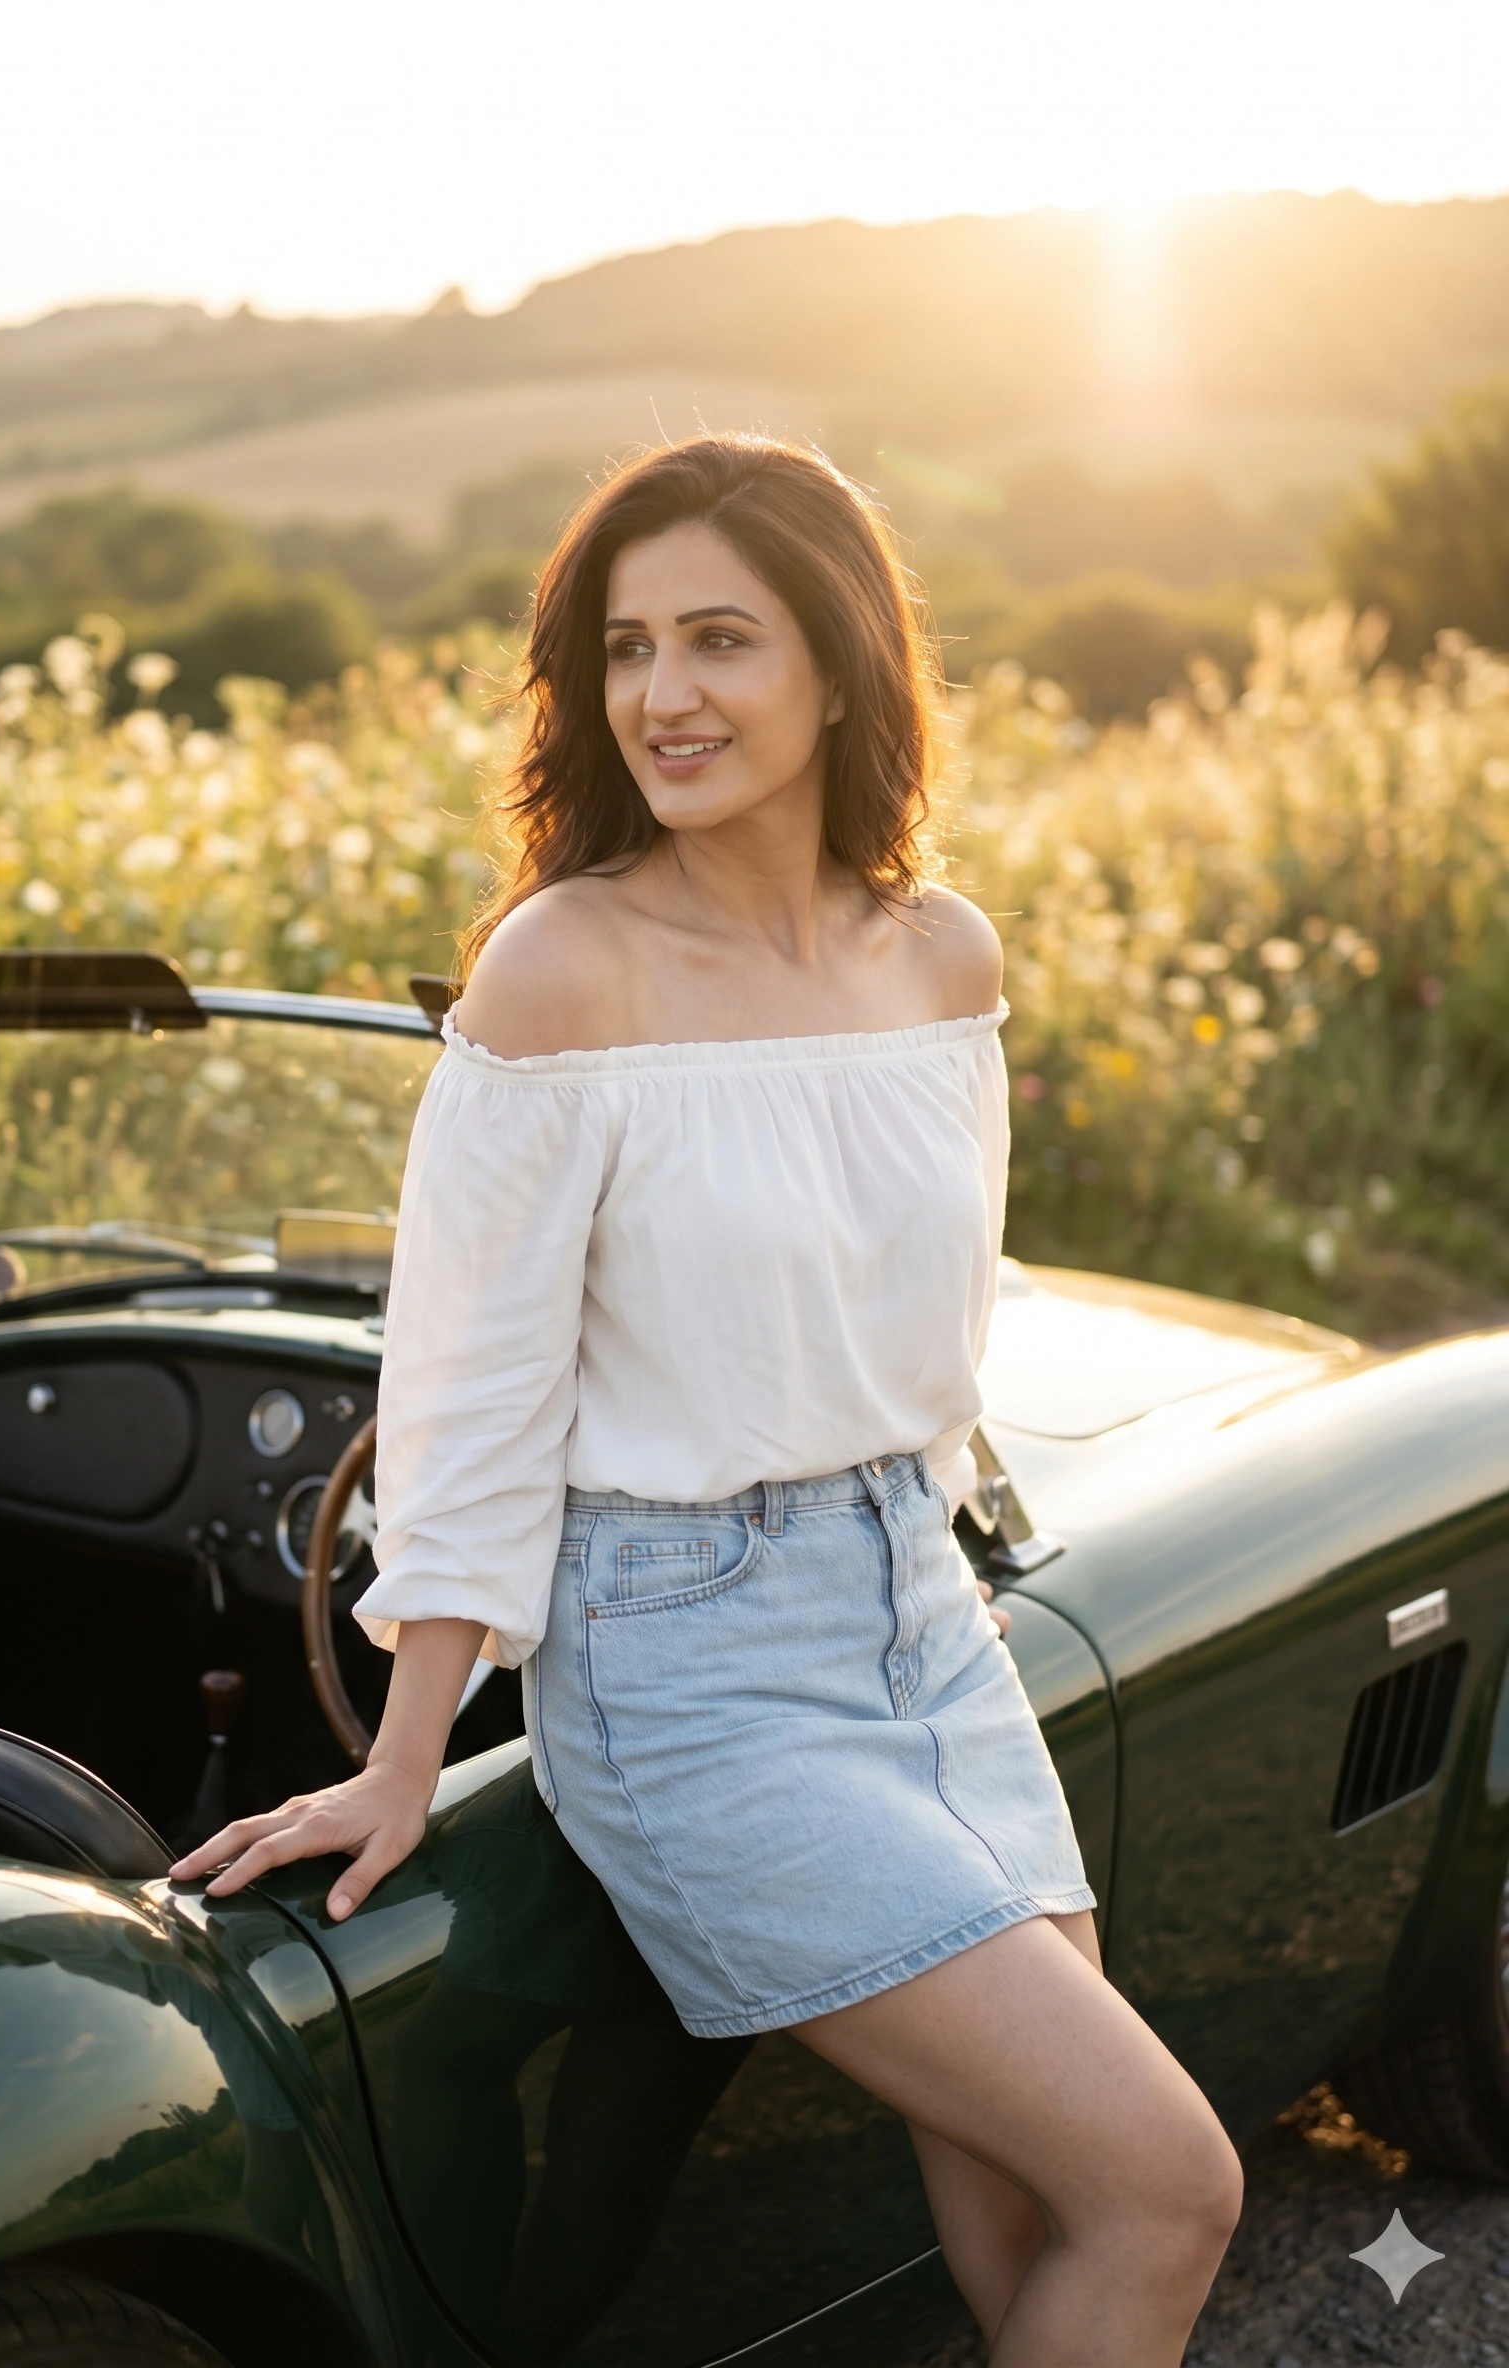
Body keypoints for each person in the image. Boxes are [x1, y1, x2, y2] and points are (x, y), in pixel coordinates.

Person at [172, 435, 1243, 2364]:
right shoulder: (559, 974)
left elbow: (920, 1326)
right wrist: (407, 1754)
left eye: (722, 640)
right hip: (688, 1671)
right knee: (1171, 2185)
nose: (662, 697)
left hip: (928, 1617)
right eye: (628, 647)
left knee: (1041, 2231)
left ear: (841, 664)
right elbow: (469, 1397)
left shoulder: (943, 957)